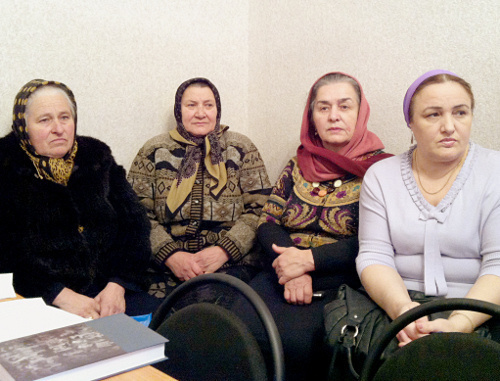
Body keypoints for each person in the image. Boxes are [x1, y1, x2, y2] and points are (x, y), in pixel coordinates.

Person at [236, 72, 391, 381]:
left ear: (361, 113)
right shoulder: (298, 163)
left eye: (344, 106)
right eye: (323, 108)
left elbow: (379, 242)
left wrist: (308, 264)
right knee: (237, 331)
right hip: (281, 272)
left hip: (343, 283)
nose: (333, 116)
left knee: (301, 346)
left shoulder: (383, 170)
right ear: (312, 117)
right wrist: (292, 265)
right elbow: (268, 222)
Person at [357, 69, 500, 348]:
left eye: (460, 112)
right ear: (410, 122)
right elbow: (374, 255)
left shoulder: (495, 172)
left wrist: (461, 322)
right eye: (433, 114)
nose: (449, 126)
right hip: (399, 306)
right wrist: (403, 311)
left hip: (481, 310)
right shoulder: (381, 176)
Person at [0, 79, 157, 319]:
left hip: (109, 291)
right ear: (23, 126)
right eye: (44, 120)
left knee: (164, 340)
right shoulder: (5, 167)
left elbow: (135, 224)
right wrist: (58, 295)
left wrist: (118, 284)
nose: (58, 128)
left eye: (65, 117)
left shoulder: (96, 156)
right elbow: (5, 252)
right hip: (39, 299)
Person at [127, 77, 271, 306]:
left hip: (231, 264)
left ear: (217, 110)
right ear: (179, 110)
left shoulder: (241, 148)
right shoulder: (154, 150)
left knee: (210, 314)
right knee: (153, 318)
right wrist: (171, 256)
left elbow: (261, 208)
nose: (200, 113)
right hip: (163, 266)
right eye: (191, 105)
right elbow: (135, 214)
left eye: (208, 105)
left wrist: (225, 250)